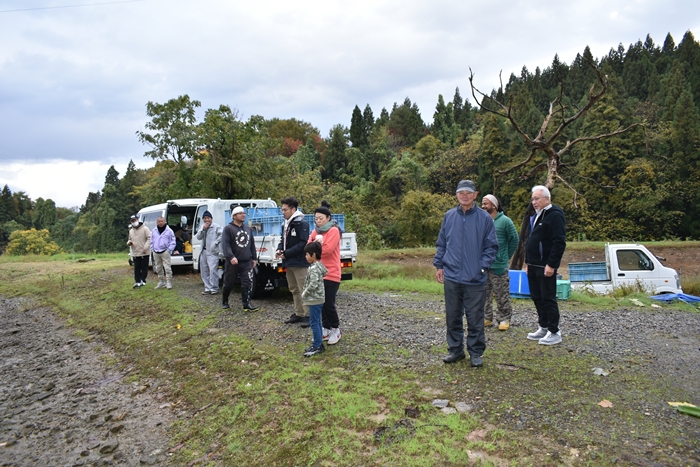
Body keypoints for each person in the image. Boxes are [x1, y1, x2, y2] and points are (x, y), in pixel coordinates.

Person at [434, 180, 498, 367]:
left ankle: (476, 352)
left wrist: (482, 267)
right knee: (452, 316)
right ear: (456, 194)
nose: (464, 196)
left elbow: (491, 246)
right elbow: (442, 243)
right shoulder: (449, 216)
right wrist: (439, 265)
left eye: (468, 193)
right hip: (452, 276)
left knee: (475, 317)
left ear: (475, 195)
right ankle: (455, 350)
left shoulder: (484, 218)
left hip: (475, 278)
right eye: (461, 192)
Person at [525, 185, 567, 345]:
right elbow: (531, 240)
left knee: (548, 298)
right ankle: (543, 326)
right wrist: (528, 262)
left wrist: (552, 264)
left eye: (537, 199)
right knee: (536, 296)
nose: (534, 202)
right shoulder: (536, 216)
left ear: (547, 199)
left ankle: (554, 331)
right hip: (533, 264)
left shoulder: (554, 215)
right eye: (532, 199)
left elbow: (559, 242)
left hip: (545, 265)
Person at [481, 194, 519, 331]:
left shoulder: (505, 221)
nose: (483, 206)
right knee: (483, 294)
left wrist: (505, 256)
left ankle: (504, 319)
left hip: (499, 265)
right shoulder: (481, 221)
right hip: (482, 265)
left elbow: (514, 239)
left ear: (494, 205)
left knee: (501, 293)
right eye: (482, 203)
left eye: (486, 203)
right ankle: (486, 317)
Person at [308, 201, 342, 345]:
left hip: (331, 273)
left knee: (328, 302)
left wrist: (316, 245)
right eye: (316, 218)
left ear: (328, 218)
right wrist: (317, 244)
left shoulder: (334, 231)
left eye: (321, 218)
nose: (318, 221)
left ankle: (336, 328)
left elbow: (327, 251)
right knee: (320, 302)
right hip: (318, 273)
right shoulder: (315, 232)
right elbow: (308, 248)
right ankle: (326, 328)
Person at [275, 197, 311, 326]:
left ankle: (308, 315)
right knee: (294, 288)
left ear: (293, 209)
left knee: (303, 288)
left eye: (285, 210)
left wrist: (287, 253)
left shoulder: (301, 223)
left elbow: (303, 243)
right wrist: (280, 249)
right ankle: (299, 313)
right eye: (282, 209)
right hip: (289, 262)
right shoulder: (286, 224)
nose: (283, 212)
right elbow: (283, 240)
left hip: (299, 262)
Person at [221, 205, 259, 311]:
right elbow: (226, 245)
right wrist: (231, 256)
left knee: (247, 282)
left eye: (243, 213)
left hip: (246, 261)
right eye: (240, 213)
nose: (243, 215)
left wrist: (254, 258)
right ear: (234, 216)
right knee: (229, 282)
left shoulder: (248, 229)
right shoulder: (228, 229)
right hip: (233, 261)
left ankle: (246, 303)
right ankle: (225, 301)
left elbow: (251, 244)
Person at [301, 241, 328, 357]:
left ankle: (317, 345)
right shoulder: (319, 266)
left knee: (314, 322)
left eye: (307, 254)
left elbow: (313, 284)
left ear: (313, 255)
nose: (306, 257)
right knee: (317, 321)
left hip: (314, 299)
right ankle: (319, 343)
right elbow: (325, 272)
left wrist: (304, 293)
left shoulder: (313, 268)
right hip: (318, 298)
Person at [195, 210, 223, 295]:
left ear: (211, 218)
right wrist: (203, 229)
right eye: (205, 218)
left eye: (208, 218)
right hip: (203, 251)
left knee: (213, 270)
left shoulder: (216, 227)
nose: (206, 220)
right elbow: (198, 237)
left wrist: (216, 242)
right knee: (204, 270)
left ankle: (214, 288)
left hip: (212, 252)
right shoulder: (202, 227)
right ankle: (207, 287)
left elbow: (222, 234)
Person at [150, 217, 176, 289]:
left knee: (167, 267)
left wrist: (169, 250)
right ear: (157, 222)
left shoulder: (169, 231)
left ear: (165, 222)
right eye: (159, 221)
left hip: (165, 251)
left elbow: (173, 241)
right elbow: (151, 241)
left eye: (162, 221)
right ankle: (161, 281)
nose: (160, 223)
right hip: (156, 251)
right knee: (158, 268)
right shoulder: (154, 231)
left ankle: (169, 282)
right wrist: (152, 249)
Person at [127, 214, 151, 288]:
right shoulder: (131, 231)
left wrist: (145, 247)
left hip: (144, 252)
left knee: (144, 267)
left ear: (137, 220)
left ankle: (143, 280)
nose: (134, 222)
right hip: (135, 252)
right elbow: (129, 239)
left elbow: (149, 238)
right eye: (132, 221)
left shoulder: (145, 229)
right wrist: (129, 243)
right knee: (137, 267)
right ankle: (137, 281)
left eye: (135, 220)